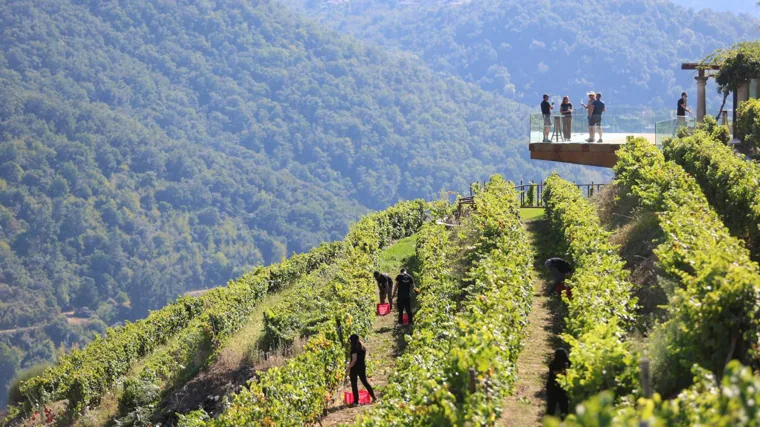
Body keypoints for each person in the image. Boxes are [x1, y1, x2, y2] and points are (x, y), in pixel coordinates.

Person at [346, 334, 376, 406]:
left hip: (355, 368)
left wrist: (348, 367)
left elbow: (354, 360)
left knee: (354, 384)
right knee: (365, 382)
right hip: (362, 367)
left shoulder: (354, 349)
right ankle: (374, 397)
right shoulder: (362, 347)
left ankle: (356, 401)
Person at [546, 348, 571, 418]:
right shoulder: (553, 365)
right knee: (561, 408)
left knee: (555, 408)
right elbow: (557, 374)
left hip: (555, 388)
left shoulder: (568, 364)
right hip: (556, 388)